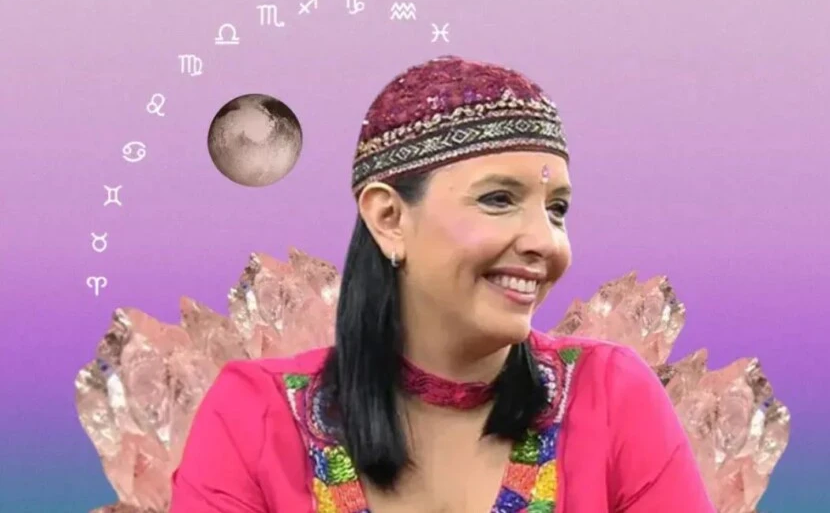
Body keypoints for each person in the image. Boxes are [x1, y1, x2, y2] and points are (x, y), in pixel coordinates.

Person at [170, 55, 715, 512]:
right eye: (499, 199)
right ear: (388, 218)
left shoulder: (613, 396)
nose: (545, 242)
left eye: (557, 210)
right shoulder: (254, 416)